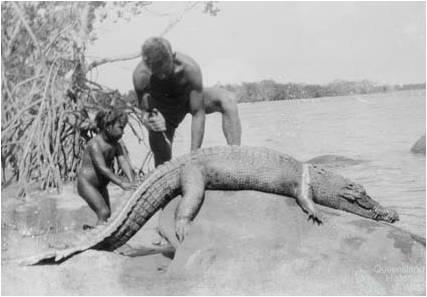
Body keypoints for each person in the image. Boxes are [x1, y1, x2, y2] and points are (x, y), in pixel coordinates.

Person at [132, 37, 242, 167]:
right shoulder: (140, 76)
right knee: (162, 166)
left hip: (187, 100)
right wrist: (150, 122)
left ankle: (235, 159)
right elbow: (144, 112)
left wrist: (194, 156)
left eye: (165, 70)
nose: (162, 76)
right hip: (165, 111)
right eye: (157, 72)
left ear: (172, 57)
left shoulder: (189, 68)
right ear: (148, 65)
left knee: (227, 99)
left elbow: (198, 113)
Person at [77, 108, 137, 226]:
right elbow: (102, 168)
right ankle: (96, 240)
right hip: (87, 184)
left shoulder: (116, 144)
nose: (123, 132)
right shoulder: (95, 144)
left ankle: (93, 232)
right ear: (108, 126)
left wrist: (132, 181)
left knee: (107, 214)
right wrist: (121, 183)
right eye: (120, 128)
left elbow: (123, 160)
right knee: (103, 212)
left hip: (101, 186)